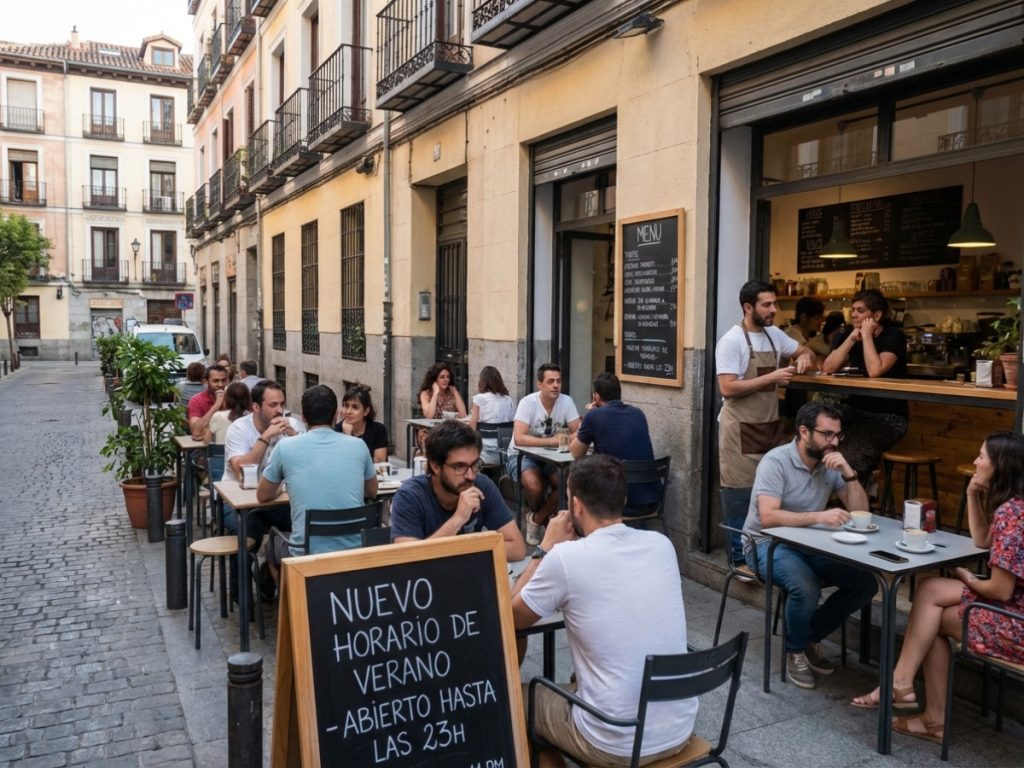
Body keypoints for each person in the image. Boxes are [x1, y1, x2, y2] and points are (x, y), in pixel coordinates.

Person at [511, 454, 696, 766]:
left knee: (517, 700)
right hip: (679, 729)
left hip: (614, 741)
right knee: (585, 673)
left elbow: (512, 617)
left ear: (576, 505)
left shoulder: (565, 559)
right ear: (622, 499)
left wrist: (544, 548)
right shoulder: (661, 544)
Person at [851, 431, 1024, 744]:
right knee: (930, 592)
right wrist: (971, 494)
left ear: (1001, 466)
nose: (975, 462)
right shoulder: (1013, 507)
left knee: (930, 619)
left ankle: (919, 704)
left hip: (1017, 623)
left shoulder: (1012, 515)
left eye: (982, 456)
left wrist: (967, 578)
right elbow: (982, 541)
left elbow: (1000, 591)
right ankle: (905, 688)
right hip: (1015, 606)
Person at [742, 402, 877, 690]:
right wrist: (819, 516)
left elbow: (861, 513)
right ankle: (795, 651)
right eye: (827, 434)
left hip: (810, 543)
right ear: (804, 432)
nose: (834, 442)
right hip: (766, 543)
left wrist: (848, 472)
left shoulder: (830, 464)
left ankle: (809, 638)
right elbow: (768, 518)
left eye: (838, 435)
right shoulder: (776, 461)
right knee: (805, 587)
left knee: (865, 583)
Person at [716, 280, 814, 579]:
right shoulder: (732, 341)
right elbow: (727, 387)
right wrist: (771, 378)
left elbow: (804, 349)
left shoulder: (775, 335)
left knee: (769, 493)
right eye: (767, 305)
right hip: (740, 429)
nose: (774, 310)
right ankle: (738, 559)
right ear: (748, 308)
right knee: (739, 493)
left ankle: (766, 553)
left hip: (769, 427)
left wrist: (805, 355)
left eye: (774, 303)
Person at [258, 384, 377, 585]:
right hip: (355, 549)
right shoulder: (359, 445)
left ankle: (290, 599)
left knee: (271, 544)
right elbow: (372, 491)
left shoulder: (285, 447)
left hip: (305, 555)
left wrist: (281, 486)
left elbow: (262, 496)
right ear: (336, 416)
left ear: (304, 418)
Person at [390, 420, 526, 562]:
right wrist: (458, 519)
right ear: (435, 466)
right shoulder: (409, 497)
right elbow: (406, 561)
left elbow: (517, 549)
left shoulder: (482, 486)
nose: (470, 476)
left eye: (474, 465)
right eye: (459, 467)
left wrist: (464, 547)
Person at [223, 380, 305, 596]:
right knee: (247, 534)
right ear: (256, 407)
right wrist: (266, 437)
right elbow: (241, 472)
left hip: (278, 501)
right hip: (240, 503)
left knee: (305, 525)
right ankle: (241, 595)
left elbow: (310, 462)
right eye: (273, 405)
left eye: (282, 404)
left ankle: (272, 577)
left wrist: (294, 436)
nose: (279, 410)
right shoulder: (239, 429)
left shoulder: (293, 426)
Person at [821, 289, 908, 487]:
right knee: (816, 448)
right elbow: (827, 368)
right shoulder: (847, 333)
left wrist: (867, 336)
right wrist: (852, 338)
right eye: (852, 310)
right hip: (852, 412)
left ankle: (854, 499)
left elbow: (875, 370)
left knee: (848, 459)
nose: (853, 314)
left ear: (876, 315)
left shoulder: (894, 335)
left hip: (887, 417)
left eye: (860, 311)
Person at [507, 363, 581, 545]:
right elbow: (519, 438)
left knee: (567, 483)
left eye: (558, 381)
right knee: (534, 485)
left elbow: (579, 431)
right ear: (539, 384)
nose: (556, 386)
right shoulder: (528, 403)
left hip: (552, 458)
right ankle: (547, 518)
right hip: (522, 455)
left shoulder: (566, 401)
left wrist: (563, 439)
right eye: (550, 381)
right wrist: (554, 441)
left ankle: (536, 519)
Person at [569, 372, 659, 511]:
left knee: (572, 477)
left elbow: (576, 452)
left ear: (596, 397)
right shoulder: (638, 413)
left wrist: (585, 421)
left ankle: (575, 524)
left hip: (614, 501)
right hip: (651, 499)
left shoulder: (593, 416)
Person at [467, 365, 516, 466]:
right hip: (505, 452)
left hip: (485, 453)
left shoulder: (480, 399)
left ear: (482, 381)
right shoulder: (508, 399)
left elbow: (472, 428)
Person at [333, 384, 389, 463]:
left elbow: (379, 464)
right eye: (346, 406)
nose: (348, 411)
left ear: (366, 411)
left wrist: (349, 438)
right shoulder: (335, 431)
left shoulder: (378, 430)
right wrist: (347, 435)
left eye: (355, 407)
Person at [187, 364, 230, 439]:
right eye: (215, 381)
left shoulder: (234, 397)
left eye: (224, 380)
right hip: (206, 445)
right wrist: (216, 406)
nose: (220, 385)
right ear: (206, 382)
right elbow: (196, 431)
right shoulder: (196, 400)